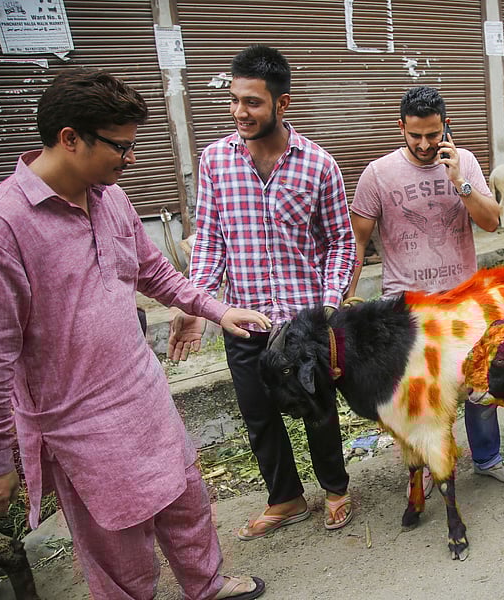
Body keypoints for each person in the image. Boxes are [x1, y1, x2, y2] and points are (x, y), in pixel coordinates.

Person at [0, 69, 269, 600]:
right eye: (120, 147)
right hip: (80, 425)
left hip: (142, 393)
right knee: (119, 550)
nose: (132, 158)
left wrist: (216, 309)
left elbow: (153, 273)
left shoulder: (109, 196)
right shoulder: (5, 226)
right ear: (70, 138)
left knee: (187, 503)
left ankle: (206, 586)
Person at [177, 45, 356, 539]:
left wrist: (328, 305)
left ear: (283, 104)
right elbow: (210, 238)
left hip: (302, 322)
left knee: (318, 411)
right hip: (243, 318)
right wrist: (197, 302)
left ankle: (336, 489)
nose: (239, 112)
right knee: (259, 415)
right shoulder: (215, 161)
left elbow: (342, 241)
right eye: (235, 100)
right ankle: (287, 498)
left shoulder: (318, 165)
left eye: (252, 102)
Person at [347, 86, 504, 487]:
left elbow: (490, 221)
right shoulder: (377, 174)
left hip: (463, 302)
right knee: (420, 393)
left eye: (433, 134)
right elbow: (356, 242)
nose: (425, 144)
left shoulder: (463, 162)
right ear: (401, 128)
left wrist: (459, 181)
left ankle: (487, 457)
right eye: (416, 135)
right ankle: (426, 466)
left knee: (479, 381)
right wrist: (346, 297)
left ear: (446, 126)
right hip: (406, 309)